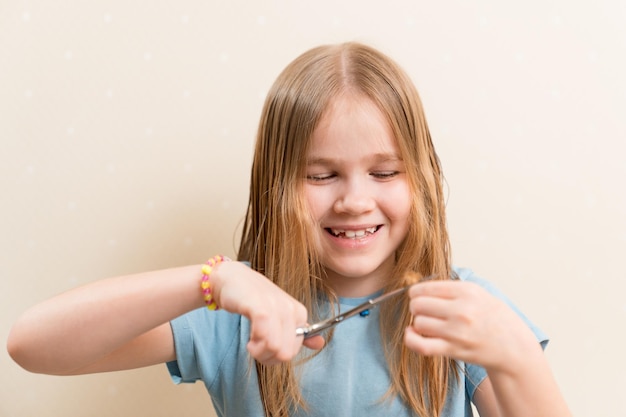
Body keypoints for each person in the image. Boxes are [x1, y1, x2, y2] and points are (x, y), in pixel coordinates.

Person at [7, 42, 571, 417]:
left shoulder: (459, 310)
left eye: (383, 172)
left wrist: (515, 353)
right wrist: (215, 281)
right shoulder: (234, 315)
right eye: (321, 175)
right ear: (278, 186)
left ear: (418, 180)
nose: (354, 200)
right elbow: (32, 345)